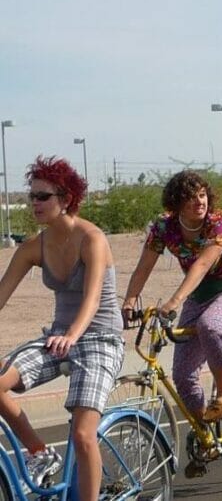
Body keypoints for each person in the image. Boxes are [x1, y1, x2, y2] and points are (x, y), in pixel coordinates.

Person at [120, 171, 222, 477]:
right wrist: (130, 300)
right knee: (182, 376)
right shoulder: (163, 228)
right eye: (190, 197)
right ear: (176, 203)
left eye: (202, 195)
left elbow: (201, 264)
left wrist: (173, 302)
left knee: (212, 326)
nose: (199, 202)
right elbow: (144, 266)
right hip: (199, 296)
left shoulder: (218, 222)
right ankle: (206, 435)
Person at [0, 157, 123, 497]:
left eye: (44, 196)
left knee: (84, 436)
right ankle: (40, 453)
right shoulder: (33, 247)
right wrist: (64, 337)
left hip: (100, 339)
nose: (35, 203)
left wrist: (72, 334)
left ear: (66, 199)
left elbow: (93, 300)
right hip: (58, 339)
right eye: (32, 196)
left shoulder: (92, 239)